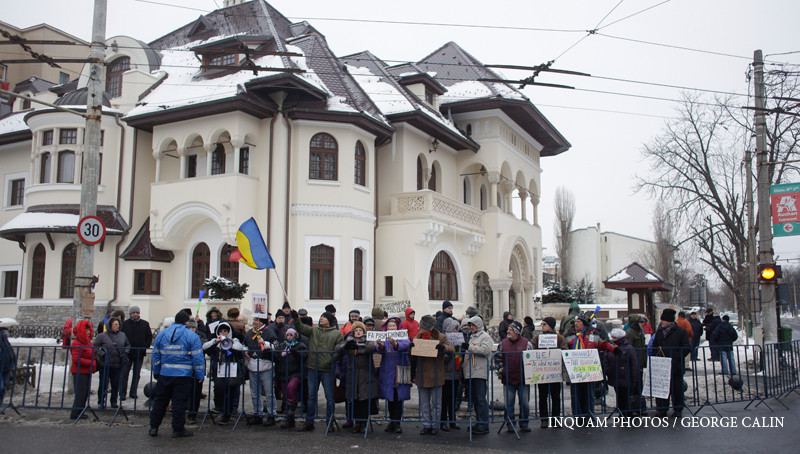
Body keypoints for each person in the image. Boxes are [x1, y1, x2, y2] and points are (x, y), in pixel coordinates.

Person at [150, 310, 205, 437]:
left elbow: (156, 354)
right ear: (186, 322)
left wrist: (157, 372)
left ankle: (153, 427)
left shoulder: (162, 334)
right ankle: (177, 429)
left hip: (165, 374)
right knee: (179, 403)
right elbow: (198, 358)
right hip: (183, 375)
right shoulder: (191, 336)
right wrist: (199, 375)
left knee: (160, 401)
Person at [295, 312, 343, 431]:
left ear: (330, 320)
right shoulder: (314, 330)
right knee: (311, 397)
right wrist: (296, 318)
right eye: (321, 316)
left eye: (324, 317)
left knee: (329, 397)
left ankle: (330, 422)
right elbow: (301, 328)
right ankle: (309, 422)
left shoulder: (337, 334)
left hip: (327, 369)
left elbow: (339, 350)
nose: (321, 318)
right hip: (313, 368)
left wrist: (331, 360)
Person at [565, 314, 621, 417]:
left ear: (584, 323)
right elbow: (564, 347)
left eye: (578, 322)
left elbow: (604, 343)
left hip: (588, 370)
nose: (576, 324)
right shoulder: (569, 335)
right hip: (575, 370)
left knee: (588, 394)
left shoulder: (594, 334)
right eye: (575, 322)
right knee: (576, 394)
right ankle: (578, 415)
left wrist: (614, 348)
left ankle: (589, 414)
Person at [335, 321, 378, 433]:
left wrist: (358, 348)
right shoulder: (349, 340)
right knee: (355, 400)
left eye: (360, 330)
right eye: (356, 330)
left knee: (364, 400)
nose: (358, 332)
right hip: (353, 375)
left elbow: (372, 347)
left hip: (365, 375)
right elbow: (338, 349)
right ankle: (357, 423)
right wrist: (347, 345)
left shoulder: (367, 340)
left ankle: (363, 423)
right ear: (353, 332)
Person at [415, 314, 454, 435]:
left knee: (436, 402)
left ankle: (435, 425)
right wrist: (410, 349)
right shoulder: (418, 337)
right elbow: (413, 353)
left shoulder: (440, 336)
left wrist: (443, 348)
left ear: (427, 328)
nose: (419, 329)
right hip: (422, 373)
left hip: (436, 374)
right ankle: (426, 424)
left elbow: (451, 348)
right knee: (424, 402)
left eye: (421, 327)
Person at [650, 308, 690, 417]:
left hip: (675, 364)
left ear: (669, 321)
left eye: (664, 320)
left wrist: (676, 356)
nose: (662, 322)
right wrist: (656, 353)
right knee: (662, 387)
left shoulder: (680, 332)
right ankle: (662, 408)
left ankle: (678, 408)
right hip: (662, 365)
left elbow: (686, 348)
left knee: (676, 387)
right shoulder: (659, 332)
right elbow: (655, 345)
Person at [203, 321, 245, 425]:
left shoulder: (234, 340)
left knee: (230, 391)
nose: (223, 333)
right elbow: (205, 347)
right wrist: (216, 342)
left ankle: (227, 414)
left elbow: (240, 348)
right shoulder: (215, 341)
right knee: (219, 388)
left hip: (231, 369)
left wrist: (229, 342)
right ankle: (220, 408)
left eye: (225, 331)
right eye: (221, 331)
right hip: (219, 369)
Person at [495, 320, 533, 433]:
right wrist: (502, 370)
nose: (508, 331)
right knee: (509, 403)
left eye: (510, 330)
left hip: (523, 378)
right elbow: (497, 358)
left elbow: (530, 359)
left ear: (516, 331)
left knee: (524, 402)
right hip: (508, 378)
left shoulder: (527, 343)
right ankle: (510, 424)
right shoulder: (503, 343)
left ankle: (524, 423)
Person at [377, 317, 412, 433]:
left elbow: (406, 345)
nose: (391, 328)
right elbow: (379, 348)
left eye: (393, 326)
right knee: (390, 399)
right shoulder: (384, 336)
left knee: (398, 398)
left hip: (400, 370)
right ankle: (392, 421)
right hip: (388, 371)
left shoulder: (403, 335)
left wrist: (396, 344)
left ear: (397, 327)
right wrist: (380, 346)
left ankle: (397, 423)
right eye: (389, 326)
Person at [532, 317, 568, 428]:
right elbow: (531, 348)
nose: (542, 326)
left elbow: (565, 350)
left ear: (551, 326)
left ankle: (555, 419)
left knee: (555, 396)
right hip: (542, 372)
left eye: (545, 324)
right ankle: (544, 419)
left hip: (555, 372)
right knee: (542, 396)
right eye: (542, 324)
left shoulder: (560, 338)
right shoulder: (537, 338)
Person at [244, 316, 279, 426]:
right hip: (252, 366)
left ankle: (271, 414)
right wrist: (245, 352)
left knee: (269, 393)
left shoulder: (269, 332)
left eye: (256, 320)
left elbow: (276, 346)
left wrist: (266, 344)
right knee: (255, 393)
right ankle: (257, 414)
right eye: (254, 320)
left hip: (266, 366)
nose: (254, 322)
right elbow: (245, 345)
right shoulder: (250, 333)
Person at [463, 316, 492, 435]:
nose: (471, 327)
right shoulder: (472, 336)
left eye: (473, 325)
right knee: (475, 398)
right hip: (471, 371)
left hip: (479, 371)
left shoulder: (485, 337)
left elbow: (485, 350)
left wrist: (469, 348)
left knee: (480, 399)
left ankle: (483, 423)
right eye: (470, 325)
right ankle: (479, 421)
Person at [93, 317, 129, 409]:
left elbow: (128, 345)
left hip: (117, 364)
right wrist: (102, 353)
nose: (117, 326)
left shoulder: (122, 335)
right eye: (115, 324)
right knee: (103, 384)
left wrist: (125, 352)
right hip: (105, 363)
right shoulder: (102, 336)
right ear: (110, 326)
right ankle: (101, 401)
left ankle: (114, 401)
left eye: (118, 324)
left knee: (115, 384)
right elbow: (95, 347)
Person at [276, 328, 306, 429]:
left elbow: (303, 357)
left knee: (291, 388)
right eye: (288, 335)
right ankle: (289, 419)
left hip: (295, 372)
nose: (289, 337)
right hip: (284, 373)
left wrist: (294, 352)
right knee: (285, 394)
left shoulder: (300, 345)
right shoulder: (282, 345)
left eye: (291, 335)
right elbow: (277, 356)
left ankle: (291, 411)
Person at [120, 306, 152, 401]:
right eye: (133, 313)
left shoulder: (145, 324)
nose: (135, 314)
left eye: (136, 313)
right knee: (124, 373)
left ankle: (133, 392)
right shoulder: (124, 324)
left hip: (139, 353)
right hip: (128, 353)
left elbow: (149, 337)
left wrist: (144, 346)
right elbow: (122, 337)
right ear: (130, 314)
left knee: (136, 374)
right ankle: (122, 393)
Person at [607, 329, 640, 417]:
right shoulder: (612, 347)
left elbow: (634, 364)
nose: (612, 339)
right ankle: (622, 412)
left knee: (625, 396)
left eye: (614, 338)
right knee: (619, 396)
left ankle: (626, 413)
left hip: (625, 376)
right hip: (616, 376)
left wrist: (634, 378)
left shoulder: (628, 348)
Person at [69, 320, 98, 420]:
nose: (89, 332)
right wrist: (92, 363)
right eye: (86, 330)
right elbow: (76, 359)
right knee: (80, 393)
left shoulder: (88, 343)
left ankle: (80, 412)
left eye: (89, 330)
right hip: (79, 371)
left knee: (85, 393)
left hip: (86, 371)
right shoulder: (76, 343)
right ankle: (75, 413)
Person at [440, 317, 463, 432]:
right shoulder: (443, 340)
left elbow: (460, 356)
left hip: (455, 373)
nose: (455, 331)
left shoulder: (458, 341)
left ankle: (452, 420)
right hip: (446, 374)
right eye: (453, 329)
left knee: (453, 399)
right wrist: (450, 352)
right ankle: (443, 420)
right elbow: (443, 358)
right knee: (445, 398)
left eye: (456, 329)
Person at [185, 319, 206, 425]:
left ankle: (193, 413)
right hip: (186, 369)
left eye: (194, 328)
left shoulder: (200, 337)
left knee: (196, 393)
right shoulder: (184, 337)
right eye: (190, 327)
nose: (192, 329)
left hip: (197, 369)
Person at [0, 318, 18, 407]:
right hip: (2, 364)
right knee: (1, 386)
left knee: (4, 387)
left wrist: (13, 360)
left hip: (6, 364)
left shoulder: (3, 337)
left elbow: (9, 349)